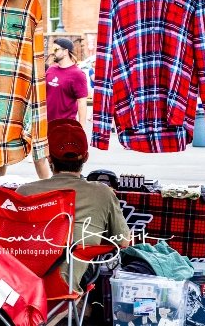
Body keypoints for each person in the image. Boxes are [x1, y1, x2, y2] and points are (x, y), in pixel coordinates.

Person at [17, 118, 131, 292]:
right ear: (86, 157)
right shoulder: (102, 193)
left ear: (49, 158)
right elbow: (122, 241)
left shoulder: (24, 192)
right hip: (67, 284)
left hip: (20, 283)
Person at [45, 38, 88, 125]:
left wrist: (81, 128)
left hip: (66, 126)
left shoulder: (78, 74)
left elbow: (82, 103)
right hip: (46, 124)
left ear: (65, 52)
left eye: (55, 49)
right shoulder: (50, 69)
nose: (53, 52)